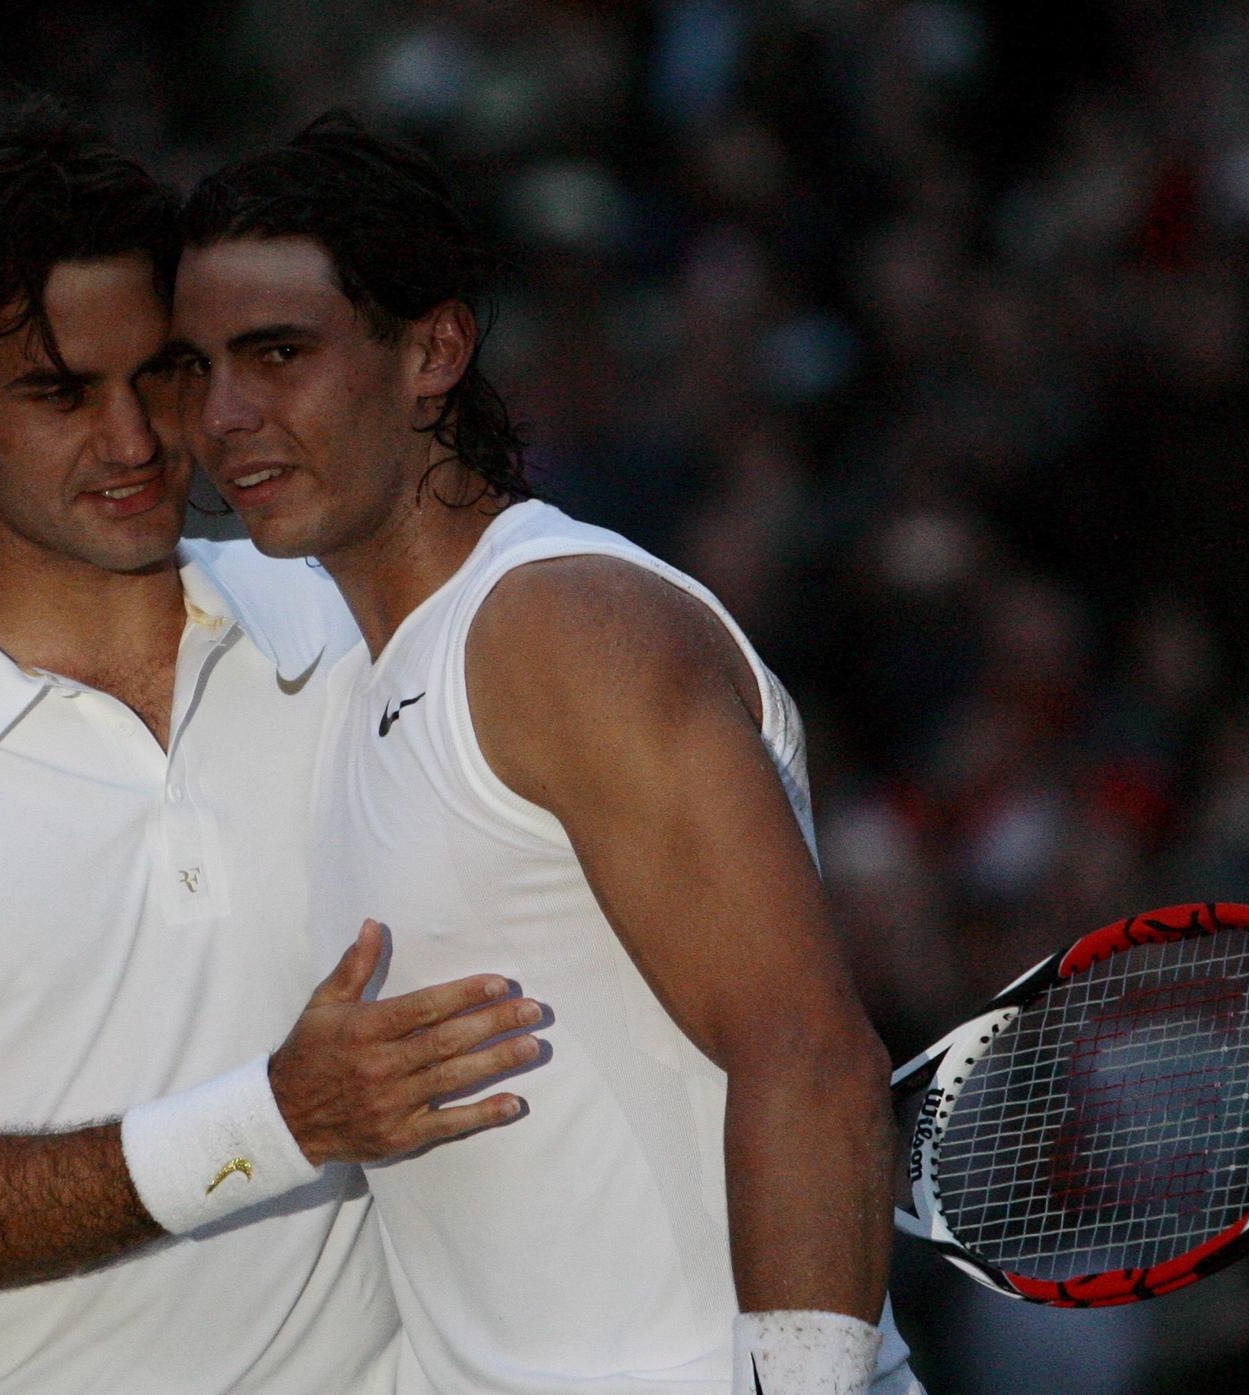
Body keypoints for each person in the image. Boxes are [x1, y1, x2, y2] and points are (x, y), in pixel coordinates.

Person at [0, 104, 545, 1395]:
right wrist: (279, 1118)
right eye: (59, 391)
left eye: (165, 374)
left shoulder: (348, 610)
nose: (136, 441)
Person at [171, 113, 923, 1395]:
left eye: (279, 354)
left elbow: (807, 1054)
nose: (226, 416)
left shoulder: (560, 626)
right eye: (195, 370)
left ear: (434, 349)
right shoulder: (368, 680)